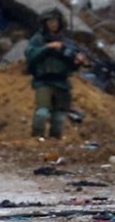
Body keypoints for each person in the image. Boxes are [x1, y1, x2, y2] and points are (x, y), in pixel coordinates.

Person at [25, 8, 85, 140]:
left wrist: (78, 61)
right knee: (42, 113)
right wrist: (48, 47)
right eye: (50, 22)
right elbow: (30, 56)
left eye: (55, 21)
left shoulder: (66, 42)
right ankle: (37, 138)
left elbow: (72, 66)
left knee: (59, 116)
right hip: (44, 81)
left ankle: (55, 139)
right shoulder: (38, 40)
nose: (53, 24)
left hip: (62, 82)